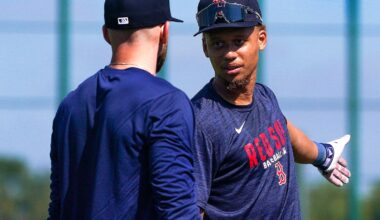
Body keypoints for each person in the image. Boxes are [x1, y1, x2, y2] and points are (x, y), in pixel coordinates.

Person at [191, 0, 351, 219]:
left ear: (261, 39)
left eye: (238, 41)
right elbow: (190, 211)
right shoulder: (200, 123)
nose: (229, 53)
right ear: (205, 48)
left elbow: (285, 134)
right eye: (218, 43)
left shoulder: (265, 97)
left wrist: (323, 156)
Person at [48, 0, 200, 219]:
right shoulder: (166, 104)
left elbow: (57, 210)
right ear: (165, 30)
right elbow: (177, 211)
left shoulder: (70, 106)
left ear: (106, 34)